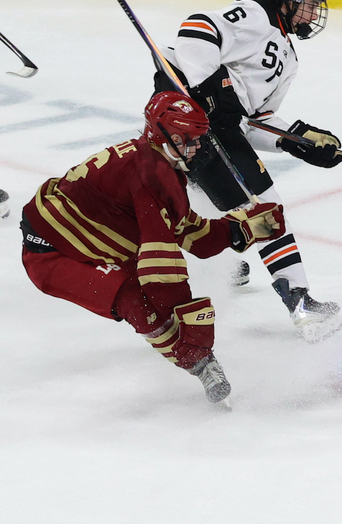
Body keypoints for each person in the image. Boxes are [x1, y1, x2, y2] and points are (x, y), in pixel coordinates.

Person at [19, 92, 286, 406]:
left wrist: (240, 229)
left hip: (92, 236)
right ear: (171, 137)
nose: (198, 146)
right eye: (191, 139)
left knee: (153, 294)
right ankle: (200, 365)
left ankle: (196, 356)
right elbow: (160, 268)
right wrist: (189, 323)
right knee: (136, 299)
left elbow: (187, 231)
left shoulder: (159, 165)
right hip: (52, 250)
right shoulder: (153, 176)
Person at [154, 0, 342, 343]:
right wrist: (207, 84)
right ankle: (300, 301)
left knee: (191, 203)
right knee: (263, 207)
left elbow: (250, 123)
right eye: (306, 3)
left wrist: (298, 140)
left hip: (216, 130)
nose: (312, 13)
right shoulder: (258, 14)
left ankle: (219, 266)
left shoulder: (288, 60)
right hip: (187, 117)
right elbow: (196, 28)